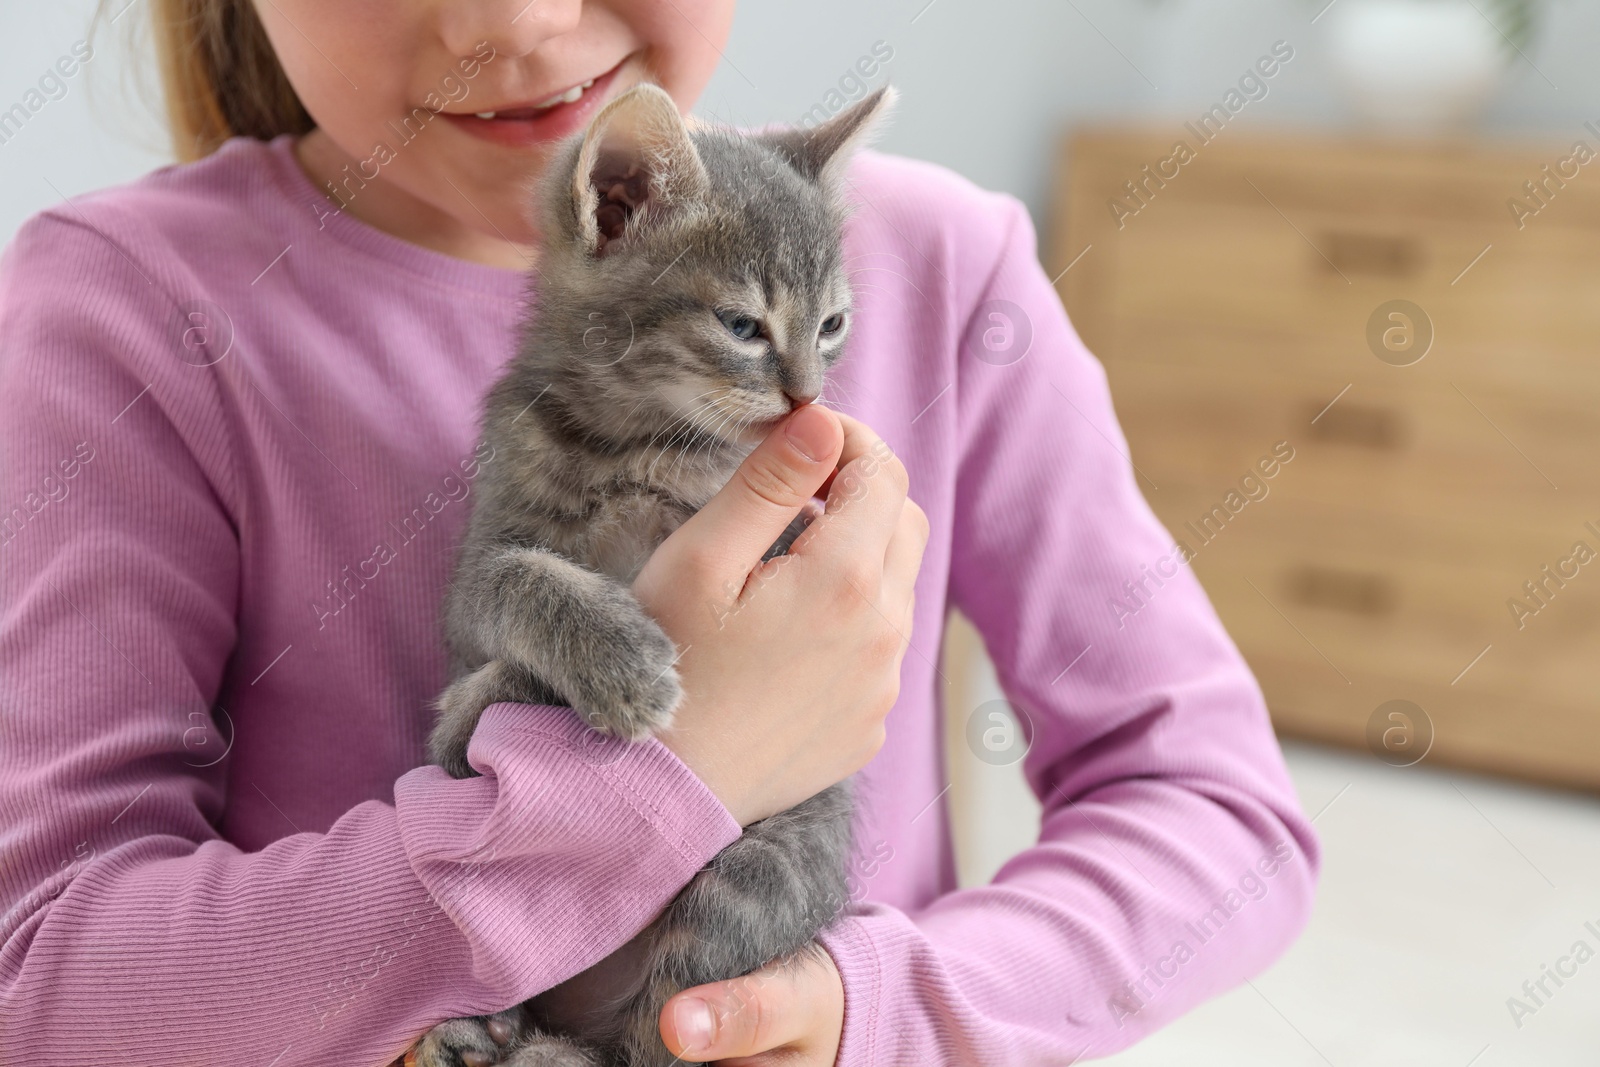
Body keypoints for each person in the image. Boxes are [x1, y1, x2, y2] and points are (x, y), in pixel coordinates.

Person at [0, 1, 1320, 1064]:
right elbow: (42, 981)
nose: (515, 23)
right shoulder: (132, 312)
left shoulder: (938, 261)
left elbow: (1222, 819)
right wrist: (663, 776)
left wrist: (884, 1007)